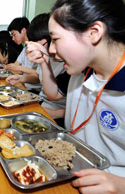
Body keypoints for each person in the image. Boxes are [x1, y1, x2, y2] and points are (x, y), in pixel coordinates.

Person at [49, 0, 125, 193]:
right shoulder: (79, 72)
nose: (50, 50)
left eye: (55, 39)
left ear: (94, 33)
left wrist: (121, 186)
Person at [7, 13, 70, 126]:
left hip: (53, 113)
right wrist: (20, 78)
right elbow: (39, 78)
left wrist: (54, 113)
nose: (51, 49)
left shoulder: (67, 64)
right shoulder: (46, 55)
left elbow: (55, 96)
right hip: (42, 103)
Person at [6, 17, 42, 93]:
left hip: (35, 90)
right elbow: (15, 66)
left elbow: (39, 74)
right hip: (24, 86)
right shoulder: (25, 49)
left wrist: (20, 68)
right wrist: (17, 69)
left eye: (14, 34)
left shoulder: (37, 48)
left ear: (23, 30)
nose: (13, 38)